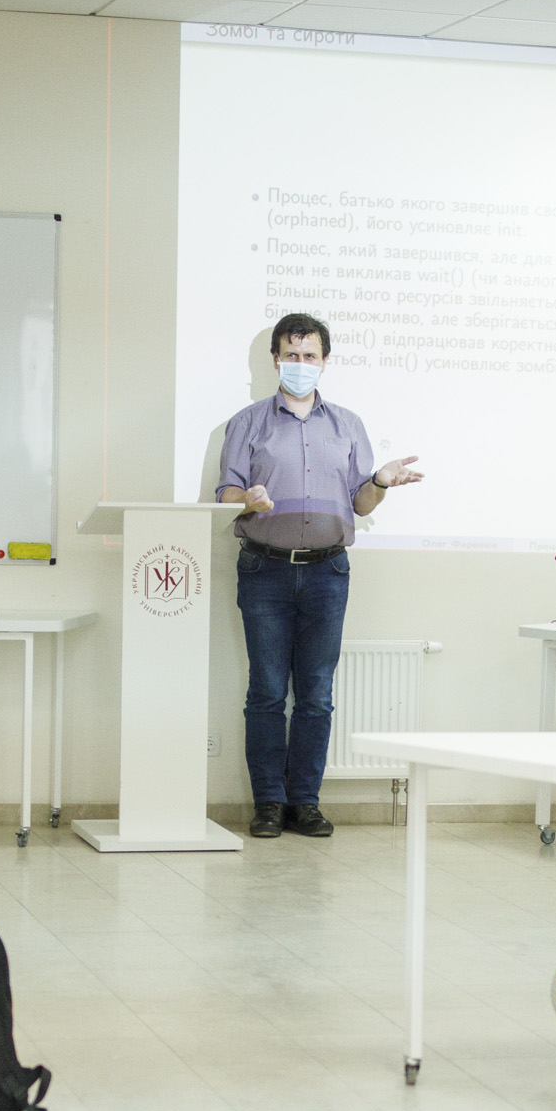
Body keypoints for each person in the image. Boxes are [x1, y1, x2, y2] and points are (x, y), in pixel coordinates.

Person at [216, 313, 424, 840]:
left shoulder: (348, 425)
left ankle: (305, 803)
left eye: (309, 356)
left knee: (316, 694)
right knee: (267, 691)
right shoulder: (246, 423)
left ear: (324, 361)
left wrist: (381, 481)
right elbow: (226, 494)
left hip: (328, 571)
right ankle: (269, 802)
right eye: (291, 355)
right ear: (275, 360)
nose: (300, 363)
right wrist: (247, 499)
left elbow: (361, 501)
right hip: (264, 569)